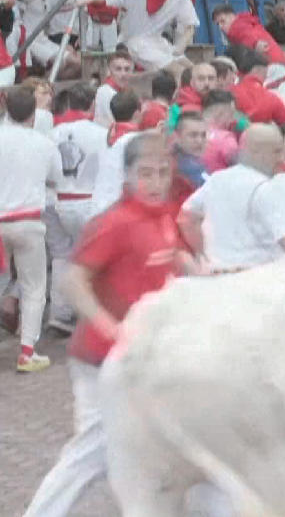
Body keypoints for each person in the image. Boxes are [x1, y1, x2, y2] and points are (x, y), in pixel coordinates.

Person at [20, 132, 195, 517]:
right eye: (145, 173)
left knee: (145, 450)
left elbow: (173, 255)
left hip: (139, 358)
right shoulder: (114, 223)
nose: (155, 182)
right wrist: (108, 325)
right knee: (93, 451)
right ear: (127, 175)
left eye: (162, 172)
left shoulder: (163, 214)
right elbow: (74, 279)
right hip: (101, 359)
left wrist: (201, 273)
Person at [178, 124, 285, 272]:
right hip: (258, 277)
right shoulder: (266, 188)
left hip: (218, 276)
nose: (281, 158)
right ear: (256, 152)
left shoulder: (217, 179)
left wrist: (203, 254)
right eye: (276, 151)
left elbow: (186, 218)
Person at [0, 86, 63, 371]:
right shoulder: (44, 143)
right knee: (34, 287)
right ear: (34, 113)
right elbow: (56, 179)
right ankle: (27, 351)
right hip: (28, 221)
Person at [45, 84, 108, 334]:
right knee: (93, 258)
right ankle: (91, 314)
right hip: (87, 200)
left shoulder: (53, 133)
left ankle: (59, 315)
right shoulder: (100, 133)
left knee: (62, 256)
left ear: (69, 104)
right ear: (92, 104)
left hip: (58, 199)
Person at [75, 0, 199, 78]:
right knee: (177, 71)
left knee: (193, 69)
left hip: (157, 41)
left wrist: (181, 45)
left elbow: (191, 25)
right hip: (134, 42)